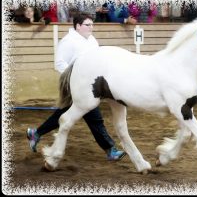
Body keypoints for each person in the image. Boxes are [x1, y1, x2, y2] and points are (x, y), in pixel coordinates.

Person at [26, 12, 126, 161]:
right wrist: (76, 79)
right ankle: (110, 149)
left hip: (89, 86)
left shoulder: (91, 40)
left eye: (92, 24)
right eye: (87, 25)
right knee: (94, 117)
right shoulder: (68, 42)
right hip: (76, 85)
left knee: (66, 113)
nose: (91, 27)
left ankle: (36, 133)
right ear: (78, 26)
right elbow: (60, 63)